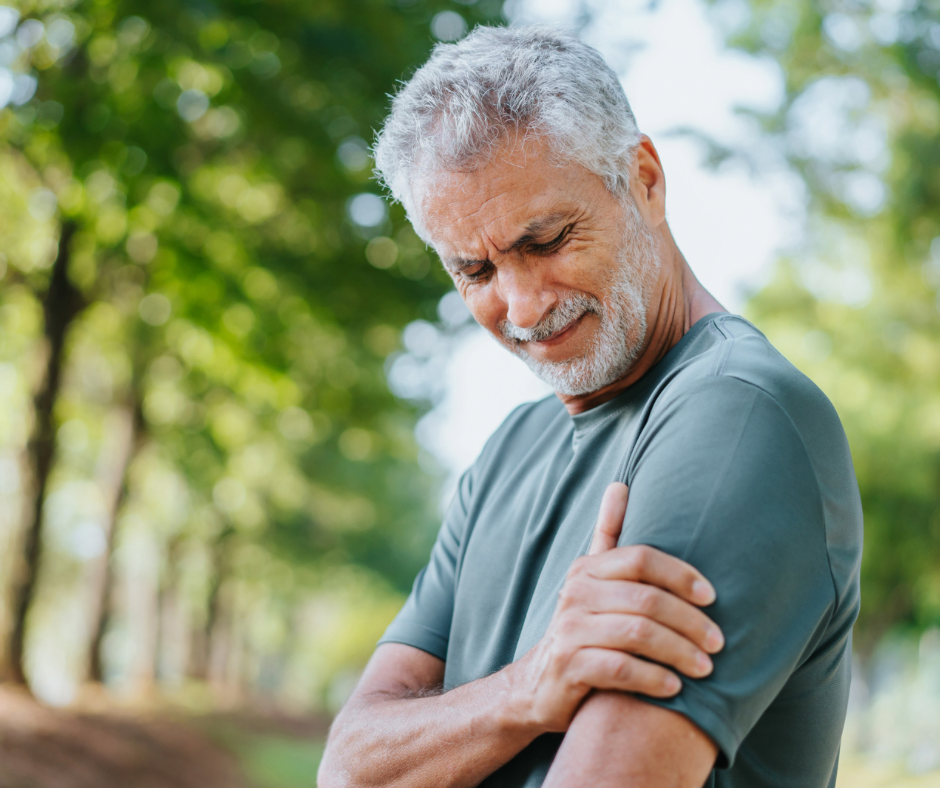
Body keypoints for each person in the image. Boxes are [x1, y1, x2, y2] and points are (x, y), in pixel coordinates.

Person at [318, 25, 863, 788]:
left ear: (644, 178)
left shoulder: (740, 418)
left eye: (546, 239)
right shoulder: (510, 449)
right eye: (474, 269)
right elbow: (349, 767)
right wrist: (527, 689)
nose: (521, 303)